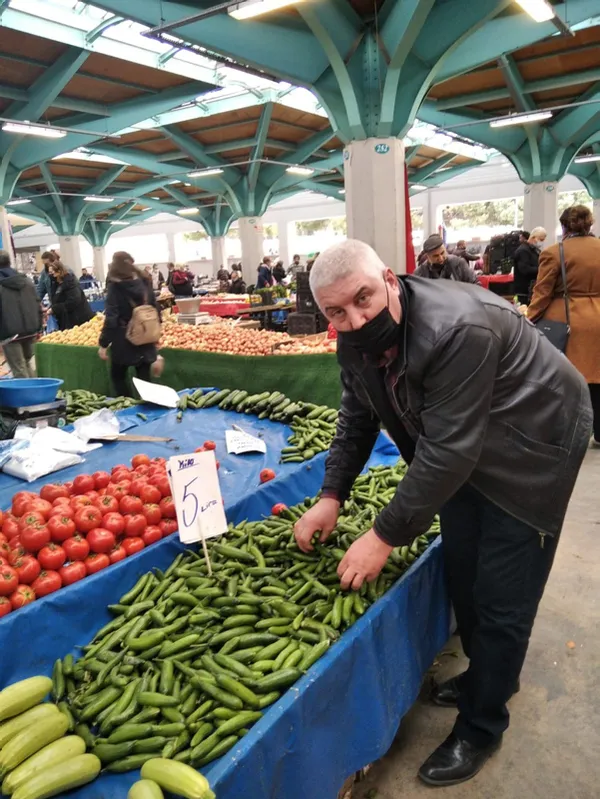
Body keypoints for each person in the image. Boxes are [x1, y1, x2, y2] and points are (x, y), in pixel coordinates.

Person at [293, 239, 592, 787]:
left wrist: (383, 535)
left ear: (387, 279)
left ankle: (482, 724)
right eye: (337, 312)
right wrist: (331, 496)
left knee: (504, 591)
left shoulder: (457, 329)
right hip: (466, 446)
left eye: (363, 298)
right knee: (464, 567)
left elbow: (450, 451)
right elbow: (358, 417)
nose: (355, 320)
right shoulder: (354, 343)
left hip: (534, 442)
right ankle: (490, 676)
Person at [528, 205, 600, 446]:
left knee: (569, 379)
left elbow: (542, 292)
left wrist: (528, 317)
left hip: (569, 323)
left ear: (564, 226)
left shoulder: (554, 252)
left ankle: (572, 432)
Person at [98, 251, 160, 398]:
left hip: (123, 338)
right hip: (145, 336)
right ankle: (150, 410)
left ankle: (127, 406)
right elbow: (156, 309)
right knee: (145, 379)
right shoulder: (145, 281)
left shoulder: (115, 287)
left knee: (118, 376)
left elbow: (111, 318)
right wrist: (156, 335)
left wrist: (103, 343)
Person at [0, 250, 42, 378]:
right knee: (28, 364)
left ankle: (27, 396)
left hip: (10, 333)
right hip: (30, 330)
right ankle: (37, 393)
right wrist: (39, 327)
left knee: (19, 368)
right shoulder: (27, 281)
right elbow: (37, 304)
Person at [48, 260, 94, 330]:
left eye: (52, 273)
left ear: (59, 271)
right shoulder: (55, 284)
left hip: (79, 320)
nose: (50, 275)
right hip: (67, 321)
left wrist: (54, 309)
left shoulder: (70, 282)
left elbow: (73, 301)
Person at [513, 227, 547, 305]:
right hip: (524, 292)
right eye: (541, 240)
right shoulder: (523, 251)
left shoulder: (534, 250)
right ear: (533, 237)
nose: (542, 242)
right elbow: (525, 269)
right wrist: (542, 269)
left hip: (532, 290)